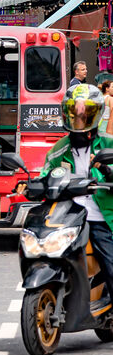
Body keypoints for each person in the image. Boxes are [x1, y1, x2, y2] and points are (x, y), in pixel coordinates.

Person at [38, 84, 113, 298]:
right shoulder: (58, 149)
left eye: (85, 114)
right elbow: (46, 173)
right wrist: (30, 185)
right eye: (75, 114)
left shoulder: (108, 144)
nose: (79, 120)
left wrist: (107, 170)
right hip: (67, 216)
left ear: (96, 115)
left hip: (100, 218)